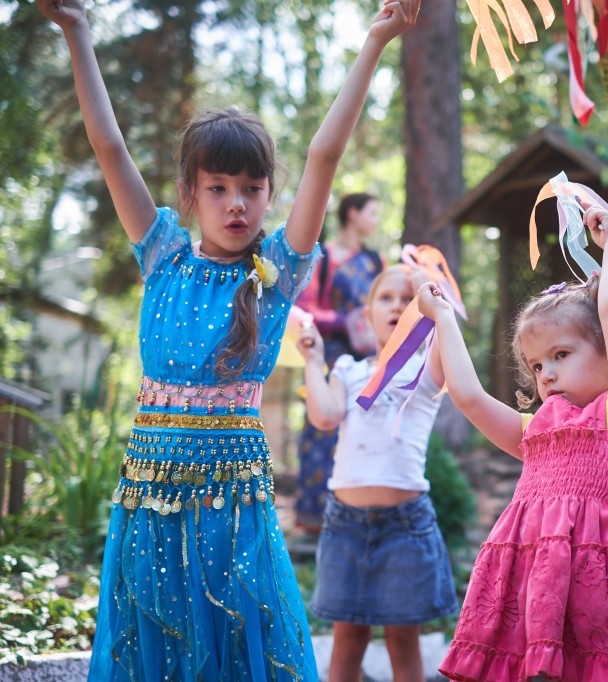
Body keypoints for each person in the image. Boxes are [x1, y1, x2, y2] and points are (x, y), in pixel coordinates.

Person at [37, 0, 420, 678]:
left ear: (269, 195)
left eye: (251, 187)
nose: (236, 202)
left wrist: (375, 43)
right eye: (217, 188)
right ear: (190, 193)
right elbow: (110, 146)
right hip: (150, 499)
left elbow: (324, 155)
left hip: (232, 506)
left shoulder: (276, 275)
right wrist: (77, 29)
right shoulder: (162, 255)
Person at [420, 205, 608, 681]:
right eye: (537, 365)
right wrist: (443, 318)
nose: (546, 374)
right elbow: (468, 396)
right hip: (530, 582)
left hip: (597, 587)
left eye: (561, 354)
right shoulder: (537, 431)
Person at [297, 264, 458, 682]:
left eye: (407, 300)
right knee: (347, 640)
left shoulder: (428, 370)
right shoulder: (348, 370)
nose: (398, 307)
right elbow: (325, 416)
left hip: (405, 526)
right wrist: (313, 360)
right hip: (344, 526)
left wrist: (429, 294)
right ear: (367, 315)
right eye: (386, 298)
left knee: (403, 641)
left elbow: (448, 344)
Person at [294, 192, 384, 534]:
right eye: (372, 213)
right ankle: (315, 518)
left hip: (371, 360)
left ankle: (362, 514)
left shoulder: (376, 261)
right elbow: (307, 308)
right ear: (352, 214)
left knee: (367, 430)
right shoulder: (325, 257)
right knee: (322, 429)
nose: (376, 221)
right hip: (331, 357)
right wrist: (345, 321)